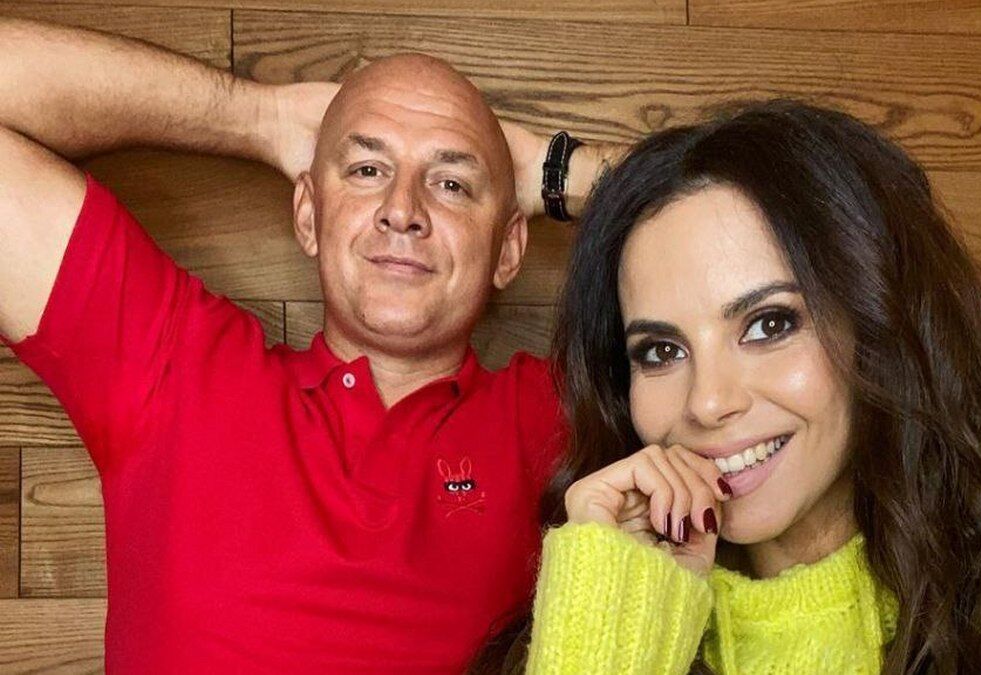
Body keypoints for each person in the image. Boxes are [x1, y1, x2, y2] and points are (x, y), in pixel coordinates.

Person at [484, 101, 981, 673]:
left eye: (770, 324)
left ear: (882, 323)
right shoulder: (601, 603)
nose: (707, 402)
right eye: (661, 350)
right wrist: (618, 622)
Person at [0, 17, 621, 673]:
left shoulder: (555, 415)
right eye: (367, 169)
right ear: (307, 214)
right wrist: (258, 118)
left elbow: (702, 239)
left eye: (451, 183)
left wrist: (559, 171)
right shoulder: (173, 366)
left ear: (508, 249)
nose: (403, 209)